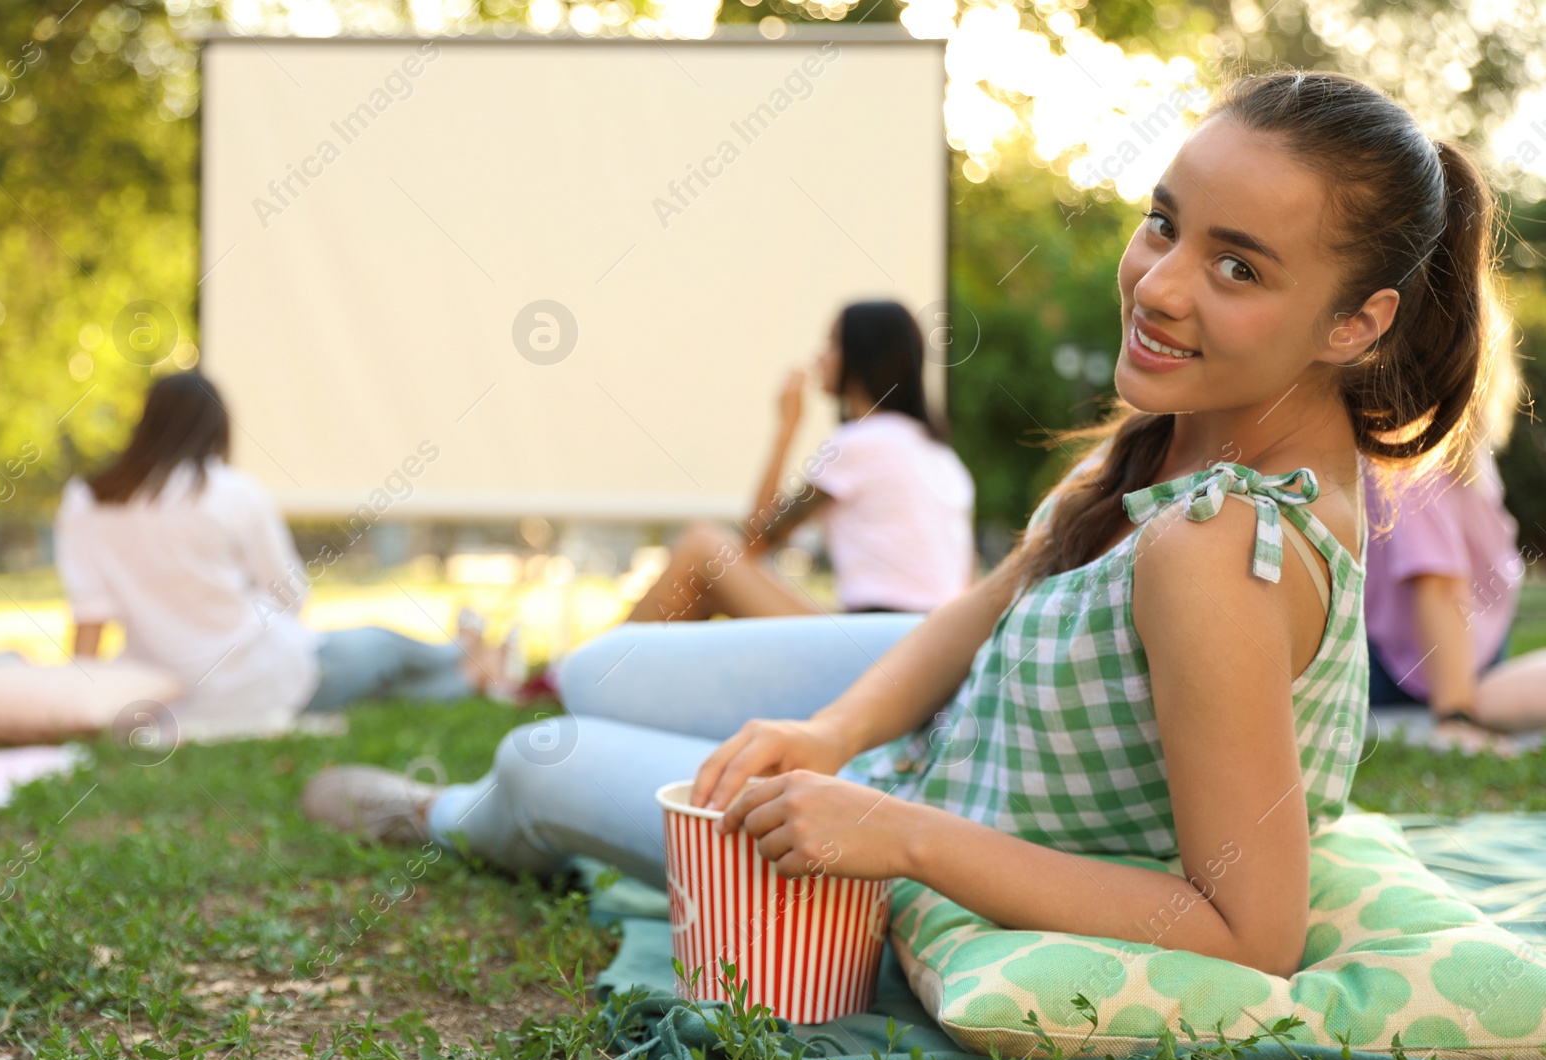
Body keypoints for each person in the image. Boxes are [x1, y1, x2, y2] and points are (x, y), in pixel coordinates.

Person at [303, 70, 1494, 978]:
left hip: (961, 830)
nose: (1159, 283)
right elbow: (985, 604)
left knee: (539, 754)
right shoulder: (1191, 433)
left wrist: (895, 832)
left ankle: (448, 816)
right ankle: (726, 760)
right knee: (600, 665)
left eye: (1238, 268)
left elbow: (1249, 935)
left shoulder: (1224, 549)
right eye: (1162, 222)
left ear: (1356, 323)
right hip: (956, 732)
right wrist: (828, 733)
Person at [55, 372, 516, 736]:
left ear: (146, 423)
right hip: (266, 673)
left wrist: (83, 701)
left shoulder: (86, 501)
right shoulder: (230, 492)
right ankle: (465, 654)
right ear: (215, 426)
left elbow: (90, 615)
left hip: (170, 692)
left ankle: (473, 669)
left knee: (386, 687)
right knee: (387, 649)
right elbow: (291, 594)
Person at [625, 300, 975, 621]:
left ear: (860, 356)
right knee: (701, 593)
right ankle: (612, 678)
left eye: (832, 344)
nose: (820, 357)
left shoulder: (860, 444)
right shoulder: (939, 454)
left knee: (701, 546)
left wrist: (787, 427)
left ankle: (590, 676)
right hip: (924, 638)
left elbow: (753, 541)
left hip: (875, 638)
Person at [1363, 333, 1546, 754]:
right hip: (1442, 663)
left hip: (1432, 665)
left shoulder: (1433, 453)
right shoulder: (1441, 454)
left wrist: (1458, 707)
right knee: (1498, 698)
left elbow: (1444, 582)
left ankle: (1468, 700)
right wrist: (1460, 708)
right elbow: (1443, 583)